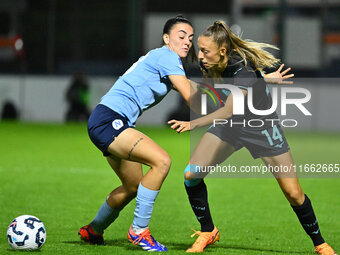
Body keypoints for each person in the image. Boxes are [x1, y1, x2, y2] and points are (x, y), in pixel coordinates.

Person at [168, 21, 337, 255]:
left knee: (293, 193)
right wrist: (266, 78)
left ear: (223, 51)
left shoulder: (242, 68)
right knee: (191, 174)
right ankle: (208, 230)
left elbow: (229, 107)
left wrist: (193, 123)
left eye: (205, 51)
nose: (201, 56)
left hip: (262, 128)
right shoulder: (219, 63)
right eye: (200, 49)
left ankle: (320, 244)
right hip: (231, 127)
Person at [78, 15, 196, 252]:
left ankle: (93, 230)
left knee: (132, 186)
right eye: (181, 36)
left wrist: (256, 83)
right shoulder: (167, 56)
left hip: (110, 120)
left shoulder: (166, 61)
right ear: (166, 38)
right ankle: (139, 231)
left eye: (191, 38)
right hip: (110, 120)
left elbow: (198, 89)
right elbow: (192, 96)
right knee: (161, 161)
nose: (187, 42)